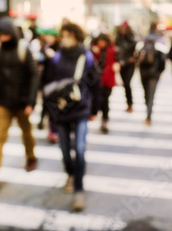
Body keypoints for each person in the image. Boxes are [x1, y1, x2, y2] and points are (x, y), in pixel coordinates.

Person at [0, 17, 39, 193]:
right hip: (3, 101)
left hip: (21, 101)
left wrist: (31, 101)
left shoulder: (22, 49)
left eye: (5, 33)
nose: (2, 37)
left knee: (26, 133)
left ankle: (31, 156)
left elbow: (34, 75)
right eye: (0, 34)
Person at [45, 22, 100, 211]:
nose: (65, 38)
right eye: (63, 35)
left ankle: (78, 188)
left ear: (76, 36)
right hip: (60, 111)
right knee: (65, 151)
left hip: (81, 109)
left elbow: (95, 84)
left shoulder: (87, 57)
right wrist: (48, 112)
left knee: (80, 149)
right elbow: (48, 86)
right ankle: (71, 173)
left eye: (69, 35)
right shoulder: (56, 57)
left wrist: (95, 110)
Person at [136, 22, 168, 126]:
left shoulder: (143, 40)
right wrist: (160, 71)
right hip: (154, 72)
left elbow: (136, 55)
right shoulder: (160, 41)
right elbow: (164, 59)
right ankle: (148, 115)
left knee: (146, 92)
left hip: (143, 71)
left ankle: (148, 112)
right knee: (151, 94)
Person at [33, 29, 60, 143]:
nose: (49, 38)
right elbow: (40, 63)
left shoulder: (59, 49)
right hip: (46, 80)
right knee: (45, 103)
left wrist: (55, 57)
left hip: (57, 81)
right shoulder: (44, 47)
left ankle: (53, 129)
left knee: (54, 105)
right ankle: (42, 120)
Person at [92, 33, 118, 134]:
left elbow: (117, 60)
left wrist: (117, 64)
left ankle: (104, 120)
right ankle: (103, 118)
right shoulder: (94, 50)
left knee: (105, 100)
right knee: (100, 100)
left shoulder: (112, 50)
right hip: (96, 80)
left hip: (108, 80)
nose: (101, 44)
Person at [115, 22, 137, 113]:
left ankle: (130, 104)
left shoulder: (133, 39)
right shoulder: (118, 39)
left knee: (127, 83)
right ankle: (128, 103)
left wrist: (133, 58)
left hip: (130, 65)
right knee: (125, 84)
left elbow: (138, 51)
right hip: (122, 64)